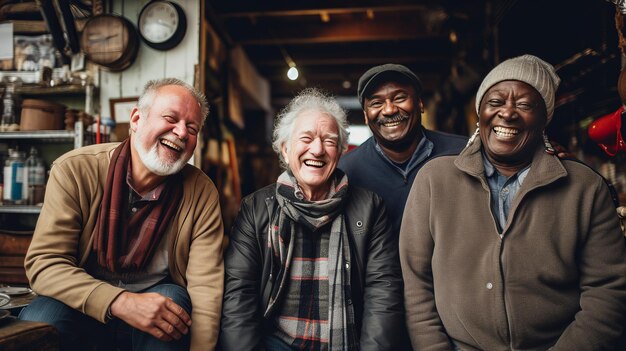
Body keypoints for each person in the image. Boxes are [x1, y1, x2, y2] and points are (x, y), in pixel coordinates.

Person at [400, 54, 626, 350]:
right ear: (480, 111)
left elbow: (608, 290)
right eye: (495, 102)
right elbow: (416, 285)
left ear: (544, 117)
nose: (507, 113)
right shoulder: (434, 179)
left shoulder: (584, 187)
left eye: (524, 105)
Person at [19, 78, 225, 351]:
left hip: (153, 307)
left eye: (192, 128)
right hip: (82, 304)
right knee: (42, 317)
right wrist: (121, 301)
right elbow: (45, 264)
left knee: (173, 305)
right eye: (170, 118)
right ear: (137, 119)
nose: (181, 132)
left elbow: (205, 287)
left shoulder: (201, 191)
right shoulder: (75, 170)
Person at [220, 88, 404, 350]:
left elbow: (383, 294)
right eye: (306, 138)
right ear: (285, 150)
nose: (317, 150)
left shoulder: (370, 208)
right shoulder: (256, 207)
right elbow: (239, 295)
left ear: (340, 153)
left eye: (329, 141)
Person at [338, 63, 468, 237]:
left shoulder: (462, 153)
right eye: (377, 103)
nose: (389, 110)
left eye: (399, 98)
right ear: (365, 116)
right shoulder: (347, 170)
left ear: (420, 104)